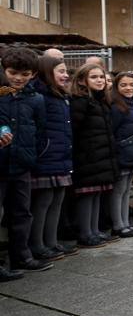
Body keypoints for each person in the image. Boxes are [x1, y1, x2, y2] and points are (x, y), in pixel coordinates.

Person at [1, 46, 49, 277]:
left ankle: (22, 256)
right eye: (13, 72)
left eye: (25, 74)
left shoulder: (37, 99)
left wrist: (31, 156)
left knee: (22, 212)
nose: (18, 78)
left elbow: (41, 132)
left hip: (22, 165)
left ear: (33, 75)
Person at [28, 55, 75, 262]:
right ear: (48, 72)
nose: (65, 76)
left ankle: (51, 241)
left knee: (57, 200)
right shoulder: (40, 96)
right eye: (61, 71)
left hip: (61, 156)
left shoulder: (60, 96)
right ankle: (37, 245)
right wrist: (42, 151)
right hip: (46, 157)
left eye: (66, 72)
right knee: (43, 202)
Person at [69, 63, 118, 249]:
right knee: (87, 196)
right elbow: (75, 130)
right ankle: (85, 234)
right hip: (87, 157)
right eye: (94, 77)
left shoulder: (100, 101)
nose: (99, 81)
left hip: (100, 156)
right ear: (82, 80)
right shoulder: (80, 101)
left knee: (96, 194)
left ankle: (94, 230)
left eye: (101, 77)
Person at [108, 72, 133, 238]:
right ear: (116, 88)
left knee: (126, 190)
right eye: (123, 85)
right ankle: (118, 225)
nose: (128, 88)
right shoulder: (116, 107)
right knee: (119, 191)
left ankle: (126, 224)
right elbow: (113, 132)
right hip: (122, 154)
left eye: (132, 85)